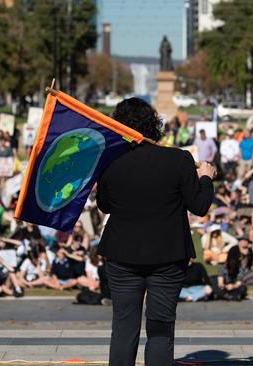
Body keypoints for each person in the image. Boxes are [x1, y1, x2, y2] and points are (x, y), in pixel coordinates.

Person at [96, 98, 215, 366]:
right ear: (154, 124)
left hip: (122, 253)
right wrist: (206, 177)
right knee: (161, 329)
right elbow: (200, 206)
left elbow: (104, 205)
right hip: (168, 256)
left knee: (124, 328)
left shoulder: (110, 162)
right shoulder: (179, 159)